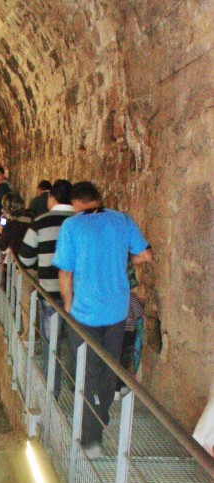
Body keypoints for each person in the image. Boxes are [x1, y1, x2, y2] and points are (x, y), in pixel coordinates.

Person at [53, 181, 153, 457]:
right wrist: (123, 260)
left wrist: (69, 306)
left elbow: (65, 272)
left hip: (85, 312)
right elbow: (145, 255)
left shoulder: (72, 227)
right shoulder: (122, 220)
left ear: (76, 203)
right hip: (117, 312)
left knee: (87, 372)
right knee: (108, 369)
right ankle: (101, 413)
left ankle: (91, 439)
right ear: (99, 198)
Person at [20, 179, 74, 396]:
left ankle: (51, 393)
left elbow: (25, 258)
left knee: (51, 344)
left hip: (50, 293)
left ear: (52, 198)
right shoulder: (80, 222)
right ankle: (77, 389)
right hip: (78, 295)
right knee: (77, 343)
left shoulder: (40, 222)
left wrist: (40, 267)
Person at [0, 192, 34, 259]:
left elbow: (3, 248)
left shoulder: (9, 226)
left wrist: (2, 232)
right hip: (31, 257)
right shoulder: (31, 216)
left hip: (16, 261)